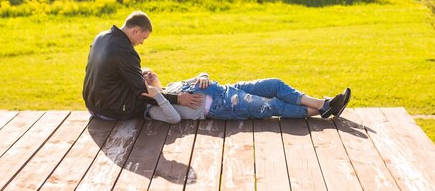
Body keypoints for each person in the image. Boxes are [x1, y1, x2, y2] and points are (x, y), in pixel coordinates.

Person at [82, 11, 202, 120]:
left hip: (92, 106)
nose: (141, 43)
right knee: (153, 104)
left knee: (146, 79)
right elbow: (143, 92)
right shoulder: (126, 51)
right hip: (112, 111)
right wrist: (178, 99)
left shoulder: (100, 37)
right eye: (143, 38)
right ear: (136, 31)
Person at [140, 70, 351, 123]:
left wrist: (203, 75)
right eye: (144, 75)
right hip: (223, 105)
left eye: (148, 70)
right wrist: (157, 96)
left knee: (275, 84)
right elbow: (174, 118)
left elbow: (201, 76)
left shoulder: (171, 85)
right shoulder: (153, 108)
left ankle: (324, 106)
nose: (149, 73)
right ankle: (323, 106)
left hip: (226, 89)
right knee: (274, 105)